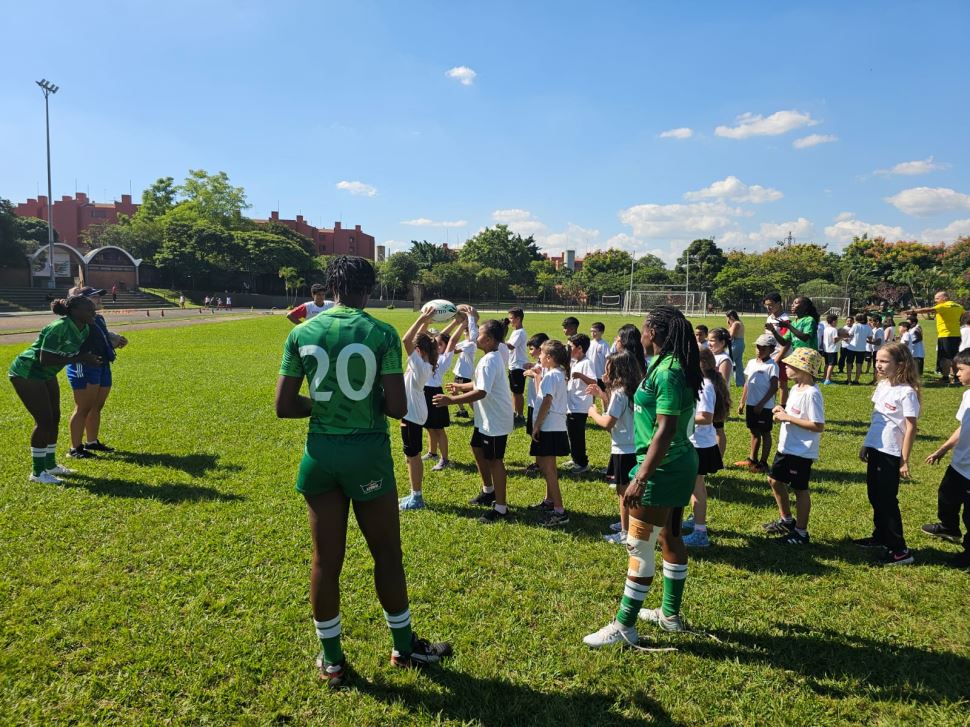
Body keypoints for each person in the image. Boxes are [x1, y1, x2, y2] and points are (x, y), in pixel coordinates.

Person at [275, 256, 451, 687]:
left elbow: (283, 406)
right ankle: (404, 647)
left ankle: (332, 661)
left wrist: (324, 406)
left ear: (330, 288)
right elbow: (396, 406)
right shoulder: (381, 332)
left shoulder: (300, 332)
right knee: (387, 555)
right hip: (367, 455)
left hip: (320, 455)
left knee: (325, 561)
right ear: (369, 290)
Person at [583, 306, 701, 648]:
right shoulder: (669, 365)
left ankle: (624, 625)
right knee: (670, 538)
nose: (642, 333)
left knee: (640, 546)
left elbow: (664, 430)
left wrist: (641, 477)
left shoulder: (669, 372)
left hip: (662, 469)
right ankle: (670, 615)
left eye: (645, 328)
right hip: (675, 464)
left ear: (654, 332)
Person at [9, 295, 102, 484]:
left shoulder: (83, 328)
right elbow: (45, 359)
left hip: (46, 374)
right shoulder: (58, 327)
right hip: (27, 371)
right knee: (44, 421)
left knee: (55, 418)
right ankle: (37, 473)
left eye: (93, 309)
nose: (94, 312)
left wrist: (89, 356)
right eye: (89, 309)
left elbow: (73, 352)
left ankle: (50, 465)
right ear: (75, 311)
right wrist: (81, 358)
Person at [433, 319, 514, 524]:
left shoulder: (489, 360)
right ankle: (489, 491)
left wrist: (451, 400)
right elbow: (479, 384)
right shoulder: (492, 356)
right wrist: (461, 387)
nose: (475, 336)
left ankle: (501, 508)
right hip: (486, 419)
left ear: (488, 339)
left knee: (495, 461)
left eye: (479, 334)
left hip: (494, 420)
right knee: (476, 447)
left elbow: (482, 392)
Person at [854, 343, 921, 566]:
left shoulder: (907, 393)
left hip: (891, 453)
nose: (878, 365)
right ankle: (880, 536)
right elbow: (877, 420)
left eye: (884, 361)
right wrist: (867, 444)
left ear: (900, 364)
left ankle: (899, 549)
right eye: (877, 360)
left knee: (887, 500)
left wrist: (904, 460)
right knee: (874, 495)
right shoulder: (882, 386)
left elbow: (911, 427)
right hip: (876, 448)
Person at [762, 348, 825, 545]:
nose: (785, 367)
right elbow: (797, 414)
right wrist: (783, 410)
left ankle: (801, 533)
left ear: (803, 369)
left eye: (789, 365)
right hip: (786, 446)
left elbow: (817, 425)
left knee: (799, 489)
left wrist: (787, 417)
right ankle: (787, 520)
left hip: (801, 451)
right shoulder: (796, 388)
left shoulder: (812, 393)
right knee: (774, 480)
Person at [587, 350, 643, 543]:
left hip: (623, 449)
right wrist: (603, 394)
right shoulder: (636, 388)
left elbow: (608, 423)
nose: (605, 371)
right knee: (632, 491)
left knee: (623, 493)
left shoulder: (619, 393)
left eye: (608, 368)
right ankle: (630, 525)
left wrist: (592, 412)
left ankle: (626, 533)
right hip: (636, 447)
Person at [65, 287, 128, 458]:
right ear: (82, 301)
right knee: (83, 407)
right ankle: (75, 449)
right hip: (84, 365)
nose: (99, 299)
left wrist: (115, 340)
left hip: (102, 363)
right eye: (94, 297)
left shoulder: (98, 317)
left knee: (96, 406)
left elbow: (102, 336)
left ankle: (91, 442)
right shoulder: (76, 318)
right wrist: (72, 296)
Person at [922, 349, 970, 569]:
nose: (956, 374)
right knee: (946, 496)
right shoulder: (967, 395)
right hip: (959, 463)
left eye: (960, 370)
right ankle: (949, 527)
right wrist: (943, 449)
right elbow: (963, 428)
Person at [681, 349, 728, 548]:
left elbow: (706, 417)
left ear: (701, 364)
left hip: (699, 444)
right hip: (699, 442)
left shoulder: (705, 387)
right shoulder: (703, 384)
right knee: (695, 486)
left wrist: (681, 419)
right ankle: (696, 520)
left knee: (696, 488)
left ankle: (700, 532)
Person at [398, 309, 441, 512]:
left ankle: (417, 497)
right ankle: (414, 493)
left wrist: (421, 319)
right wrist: (425, 324)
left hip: (412, 414)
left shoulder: (420, 364)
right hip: (414, 412)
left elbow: (406, 340)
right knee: (410, 454)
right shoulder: (423, 361)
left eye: (416, 348)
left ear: (419, 350)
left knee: (413, 455)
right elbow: (415, 342)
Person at [527, 339, 572, 527]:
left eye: (542, 354)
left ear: (550, 357)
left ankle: (559, 510)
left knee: (549, 469)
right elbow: (543, 396)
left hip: (549, 427)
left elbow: (546, 401)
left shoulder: (552, 375)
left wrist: (536, 425)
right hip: (556, 426)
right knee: (549, 468)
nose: (539, 356)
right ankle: (549, 501)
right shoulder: (557, 374)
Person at [420, 318, 464, 472]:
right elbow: (441, 336)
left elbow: (452, 340)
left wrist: (462, 324)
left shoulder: (444, 358)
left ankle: (444, 459)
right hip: (424, 392)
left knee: (438, 428)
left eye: (440, 344)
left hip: (435, 393)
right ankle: (432, 452)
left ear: (445, 348)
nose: (436, 345)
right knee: (429, 426)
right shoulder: (428, 356)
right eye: (435, 343)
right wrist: (454, 321)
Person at [735, 333, 780, 473]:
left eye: (763, 349)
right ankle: (752, 459)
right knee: (753, 431)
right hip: (751, 404)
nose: (759, 350)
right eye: (758, 347)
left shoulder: (772, 366)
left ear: (771, 350)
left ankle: (763, 463)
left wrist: (761, 404)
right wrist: (742, 402)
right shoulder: (751, 363)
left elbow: (774, 387)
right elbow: (747, 384)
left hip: (765, 407)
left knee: (765, 433)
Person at [904, 291, 965, 384]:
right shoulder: (959, 306)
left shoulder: (943, 306)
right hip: (957, 335)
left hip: (945, 335)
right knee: (955, 357)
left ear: (945, 298)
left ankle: (945, 378)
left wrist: (913, 311)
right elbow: (964, 317)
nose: (935, 300)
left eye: (937, 298)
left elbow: (928, 310)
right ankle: (957, 378)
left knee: (945, 358)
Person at [565, 333, 596, 474]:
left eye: (570, 346)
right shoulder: (575, 362)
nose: (568, 349)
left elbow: (594, 382)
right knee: (571, 434)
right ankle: (575, 459)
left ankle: (582, 463)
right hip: (572, 406)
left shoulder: (586, 363)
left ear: (579, 348)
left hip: (580, 406)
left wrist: (580, 376)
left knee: (577, 435)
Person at [522, 332, 550, 475]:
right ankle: (538, 462)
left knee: (537, 434)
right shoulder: (540, 363)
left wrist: (534, 374)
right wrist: (533, 366)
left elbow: (543, 388)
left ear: (541, 349)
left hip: (538, 406)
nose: (530, 352)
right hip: (533, 404)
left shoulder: (547, 366)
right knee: (533, 433)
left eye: (532, 349)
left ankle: (540, 464)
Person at [763, 293, 791, 405]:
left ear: (778, 304)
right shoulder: (770, 317)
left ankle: (783, 408)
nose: (768, 307)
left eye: (770, 305)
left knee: (782, 384)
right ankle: (770, 406)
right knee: (771, 383)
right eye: (766, 305)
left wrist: (778, 358)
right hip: (771, 355)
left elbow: (787, 342)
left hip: (782, 356)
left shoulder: (784, 320)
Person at [450, 306, 479, 418]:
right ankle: (463, 411)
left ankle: (478, 415)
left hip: (464, 374)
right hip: (460, 372)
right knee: (454, 391)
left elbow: (455, 350)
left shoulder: (470, 344)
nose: (463, 332)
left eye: (465, 330)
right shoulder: (466, 342)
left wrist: (469, 318)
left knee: (467, 396)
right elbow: (454, 346)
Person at [506, 308, 528, 423]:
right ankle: (515, 413)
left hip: (518, 366)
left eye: (511, 318)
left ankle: (520, 415)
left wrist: (498, 339)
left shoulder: (520, 332)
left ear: (518, 319)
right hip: (513, 365)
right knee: (514, 391)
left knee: (518, 392)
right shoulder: (516, 331)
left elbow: (510, 346)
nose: (509, 320)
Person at [844, 313, 872, 385]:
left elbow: (850, 334)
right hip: (862, 348)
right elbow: (870, 338)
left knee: (849, 364)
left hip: (852, 347)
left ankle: (849, 380)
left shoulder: (855, 325)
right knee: (859, 364)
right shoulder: (868, 327)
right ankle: (856, 380)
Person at [821, 313, 842, 385]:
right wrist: (841, 337)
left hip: (826, 349)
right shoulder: (834, 330)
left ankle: (824, 378)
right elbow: (835, 340)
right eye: (837, 321)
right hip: (832, 350)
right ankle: (828, 379)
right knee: (831, 365)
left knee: (826, 364)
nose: (837, 323)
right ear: (833, 321)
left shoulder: (826, 329)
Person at [726, 310, 745, 386]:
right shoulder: (738, 322)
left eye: (728, 318)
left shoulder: (736, 324)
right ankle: (740, 382)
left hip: (736, 343)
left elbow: (731, 335)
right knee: (738, 364)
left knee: (728, 362)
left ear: (731, 317)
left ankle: (726, 380)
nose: (727, 320)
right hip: (740, 343)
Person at [588, 322, 608, 389]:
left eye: (595, 331)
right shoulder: (589, 343)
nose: (592, 333)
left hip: (600, 374)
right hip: (590, 373)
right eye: (591, 331)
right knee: (591, 392)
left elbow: (608, 359)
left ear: (601, 332)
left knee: (602, 392)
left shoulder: (604, 345)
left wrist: (607, 372)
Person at [865, 315, 885, 383]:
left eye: (872, 321)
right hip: (876, 350)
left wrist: (869, 342)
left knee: (876, 366)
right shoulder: (876, 329)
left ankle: (875, 380)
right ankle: (876, 379)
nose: (871, 323)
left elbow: (878, 342)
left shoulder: (879, 331)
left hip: (878, 350)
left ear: (877, 322)